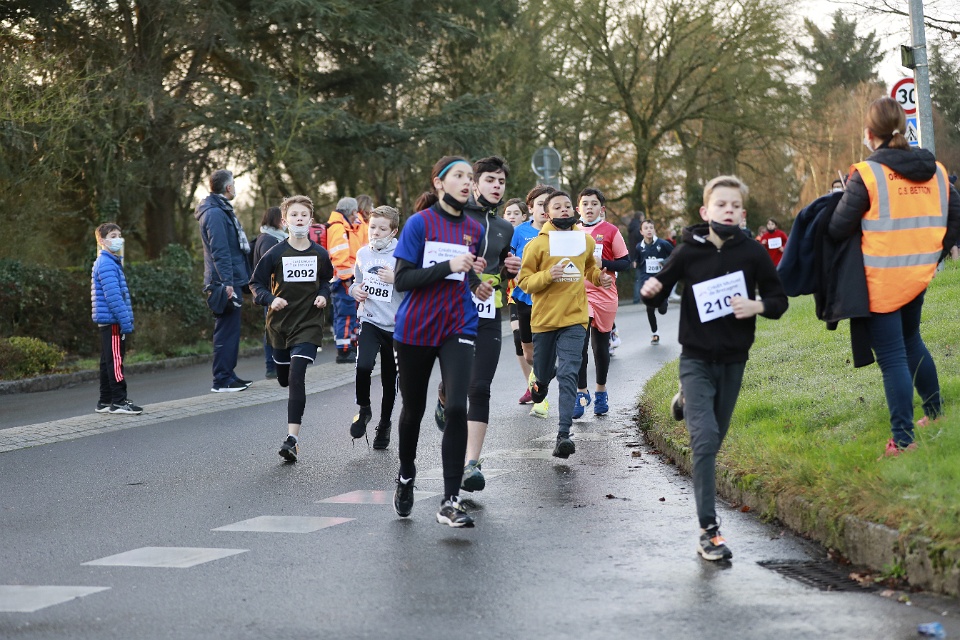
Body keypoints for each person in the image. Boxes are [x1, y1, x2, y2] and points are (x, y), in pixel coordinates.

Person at [640, 175, 788, 562]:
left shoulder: (752, 253)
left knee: (716, 438)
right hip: (696, 358)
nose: (729, 210)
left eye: (735, 206)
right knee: (704, 441)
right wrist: (650, 292)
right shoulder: (688, 251)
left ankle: (686, 400)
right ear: (706, 211)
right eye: (721, 204)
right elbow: (660, 287)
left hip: (734, 359)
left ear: (743, 213)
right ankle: (709, 531)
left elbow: (779, 300)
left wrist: (757, 305)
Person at [829, 97, 960, 457]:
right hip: (918, 275)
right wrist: (934, 256)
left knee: (892, 357)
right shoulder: (936, 170)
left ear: (870, 133)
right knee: (912, 340)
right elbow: (955, 217)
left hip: (881, 281)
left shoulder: (868, 173)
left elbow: (838, 227)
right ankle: (935, 413)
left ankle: (902, 440)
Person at [391, 156, 494, 528]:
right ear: (439, 182)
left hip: (458, 325)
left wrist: (476, 285)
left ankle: (450, 501)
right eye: (459, 176)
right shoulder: (419, 224)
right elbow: (403, 280)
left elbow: (465, 277)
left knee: (455, 408)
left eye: (470, 177)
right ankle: (406, 474)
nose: (467, 182)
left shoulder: (474, 228)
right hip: (416, 328)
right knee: (413, 410)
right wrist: (447, 267)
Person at [433, 156, 521, 492]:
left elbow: (501, 267)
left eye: (501, 181)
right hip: (453, 310)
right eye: (490, 180)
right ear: (474, 184)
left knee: (480, 386)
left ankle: (471, 463)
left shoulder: (505, 228)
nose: (497, 186)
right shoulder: (454, 217)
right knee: (456, 387)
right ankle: (444, 396)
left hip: (488, 313)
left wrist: (510, 270)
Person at [518, 190, 613, 459]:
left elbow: (589, 269)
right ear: (547, 213)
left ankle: (563, 435)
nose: (564, 210)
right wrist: (548, 275)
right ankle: (540, 383)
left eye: (568, 206)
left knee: (569, 372)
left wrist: (600, 278)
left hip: (575, 317)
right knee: (543, 372)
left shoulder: (584, 240)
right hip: (545, 320)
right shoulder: (537, 245)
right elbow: (524, 282)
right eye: (557, 206)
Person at [248, 195, 333, 463]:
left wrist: (324, 295)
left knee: (297, 376)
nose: (299, 219)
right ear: (285, 221)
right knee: (284, 378)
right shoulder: (275, 253)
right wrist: (271, 299)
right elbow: (255, 285)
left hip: (308, 324)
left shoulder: (320, 254)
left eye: (303, 215)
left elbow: (326, 281)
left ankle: (292, 440)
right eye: (294, 215)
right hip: (280, 326)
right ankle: (283, 375)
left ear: (311, 220)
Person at [348, 205, 404, 450]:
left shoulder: (403, 255)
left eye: (382, 229)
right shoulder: (362, 254)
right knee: (363, 366)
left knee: (389, 380)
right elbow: (356, 282)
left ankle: (384, 424)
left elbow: (415, 287)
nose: (376, 233)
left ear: (393, 231)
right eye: (372, 227)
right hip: (370, 320)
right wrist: (354, 291)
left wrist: (396, 279)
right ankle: (364, 409)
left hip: (396, 326)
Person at [574, 187, 630, 418]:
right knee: (579, 344)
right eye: (585, 203)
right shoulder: (571, 231)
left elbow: (625, 262)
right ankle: (581, 393)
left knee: (600, 347)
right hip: (578, 294)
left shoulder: (611, 231)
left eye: (594, 203)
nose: (589, 207)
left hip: (605, 294)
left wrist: (604, 262)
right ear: (578, 208)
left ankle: (600, 391)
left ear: (602, 208)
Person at [195, 169, 252, 392]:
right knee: (226, 331)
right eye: (234, 184)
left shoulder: (220, 210)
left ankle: (228, 374)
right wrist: (227, 282)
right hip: (223, 282)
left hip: (229, 279)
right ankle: (222, 380)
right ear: (228, 188)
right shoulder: (215, 214)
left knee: (231, 330)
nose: (235, 188)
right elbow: (220, 250)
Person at [512, 184, 556, 417]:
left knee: (545, 351)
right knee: (529, 355)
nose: (544, 209)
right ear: (530, 208)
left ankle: (541, 399)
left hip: (549, 299)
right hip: (524, 298)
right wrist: (515, 272)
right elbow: (508, 261)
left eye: (548, 204)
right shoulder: (519, 232)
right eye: (540, 204)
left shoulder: (559, 232)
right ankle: (543, 371)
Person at [91, 223, 142, 415]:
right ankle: (119, 402)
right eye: (113, 236)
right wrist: (125, 322)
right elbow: (114, 297)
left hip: (108, 321)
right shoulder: (107, 264)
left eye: (119, 235)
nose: (118, 239)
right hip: (113, 321)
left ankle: (105, 401)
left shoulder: (107, 262)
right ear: (102, 241)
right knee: (116, 361)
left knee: (107, 361)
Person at [501, 198, 533, 403]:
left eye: (515, 213)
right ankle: (530, 385)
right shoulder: (501, 237)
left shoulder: (529, 234)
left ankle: (540, 378)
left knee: (536, 342)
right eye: (508, 213)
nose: (511, 217)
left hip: (535, 295)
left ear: (524, 216)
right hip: (514, 295)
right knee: (517, 338)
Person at [327, 197, 364, 363]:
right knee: (346, 315)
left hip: (344, 278)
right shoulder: (339, 227)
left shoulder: (343, 226)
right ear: (351, 211)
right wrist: (348, 280)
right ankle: (344, 351)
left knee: (347, 315)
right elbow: (340, 256)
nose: (357, 215)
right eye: (355, 212)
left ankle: (348, 346)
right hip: (343, 280)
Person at [252, 206, 287, 379]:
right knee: (272, 330)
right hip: (271, 293)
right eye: (283, 218)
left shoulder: (267, 237)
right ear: (277, 219)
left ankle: (275, 366)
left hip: (271, 291)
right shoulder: (269, 240)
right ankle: (271, 367)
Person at [635, 219, 674, 344]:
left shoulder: (663, 244)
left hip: (661, 279)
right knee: (650, 307)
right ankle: (655, 333)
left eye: (651, 227)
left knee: (662, 311)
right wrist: (635, 263)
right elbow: (637, 260)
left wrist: (664, 262)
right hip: (646, 279)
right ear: (641, 232)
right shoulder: (639, 247)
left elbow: (675, 255)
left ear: (654, 230)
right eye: (646, 228)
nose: (649, 230)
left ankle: (664, 300)